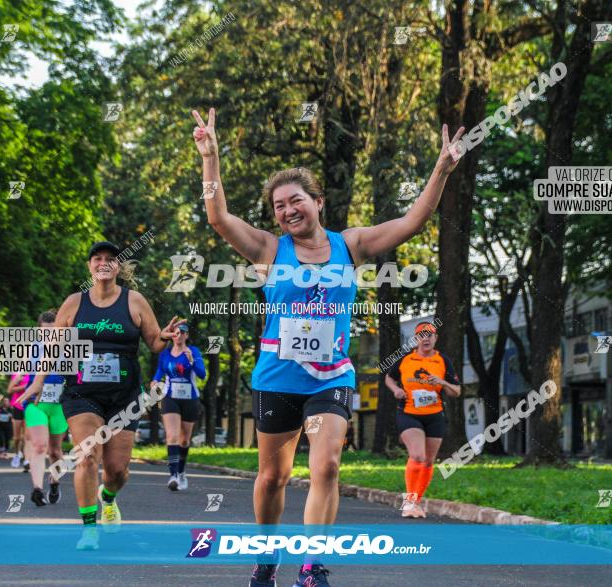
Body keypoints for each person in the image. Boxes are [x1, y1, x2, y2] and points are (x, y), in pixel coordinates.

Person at [191, 108, 465, 587]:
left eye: (295, 200)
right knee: (272, 478)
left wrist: (440, 169)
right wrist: (210, 159)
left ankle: (312, 566)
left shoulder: (350, 245)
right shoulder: (267, 250)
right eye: (278, 206)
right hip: (277, 379)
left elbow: (412, 222)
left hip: (331, 377)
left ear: (317, 202)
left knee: (327, 465)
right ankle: (267, 556)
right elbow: (218, 217)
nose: (287, 210)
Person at [24, 241, 183, 550]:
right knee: (86, 457)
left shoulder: (135, 301)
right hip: (81, 392)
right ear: (90, 266)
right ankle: (89, 530)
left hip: (125, 395)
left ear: (118, 267)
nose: (104, 263)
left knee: (117, 470)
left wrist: (165, 337)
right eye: (98, 258)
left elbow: (153, 343)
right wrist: (38, 381)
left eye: (111, 259)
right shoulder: (73, 303)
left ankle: (108, 498)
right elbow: (54, 348)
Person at [384, 322, 461, 518]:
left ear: (435, 338)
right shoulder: (406, 359)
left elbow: (457, 391)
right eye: (421, 335)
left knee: (428, 461)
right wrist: (397, 390)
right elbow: (389, 378)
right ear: (416, 339)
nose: (426, 338)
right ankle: (409, 502)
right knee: (417, 455)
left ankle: (416, 502)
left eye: (430, 335)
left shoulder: (443, 361)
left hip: (435, 415)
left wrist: (442, 382)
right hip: (409, 413)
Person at [14, 310, 69, 507]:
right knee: (39, 446)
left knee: (55, 451)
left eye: (53, 331)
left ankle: (54, 483)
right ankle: (37, 489)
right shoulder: (31, 349)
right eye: (45, 332)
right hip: (35, 404)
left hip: (59, 405)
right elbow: (22, 371)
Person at [151, 322, 206, 491]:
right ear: (172, 335)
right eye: (175, 332)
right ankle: (173, 475)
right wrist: (154, 381)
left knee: (184, 440)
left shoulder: (193, 351)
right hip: (170, 397)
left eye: (182, 332)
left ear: (187, 335)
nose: (179, 335)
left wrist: (192, 360)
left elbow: (202, 375)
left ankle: (181, 472)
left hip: (190, 398)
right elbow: (159, 373)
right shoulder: (165, 354)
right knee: (172, 437)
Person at [7, 372, 29, 469]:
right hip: (17, 406)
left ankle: (26, 458)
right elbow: (10, 390)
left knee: (27, 436)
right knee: (17, 437)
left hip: (30, 406)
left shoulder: (35, 373)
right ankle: (17, 454)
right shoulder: (17, 374)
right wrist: (23, 386)